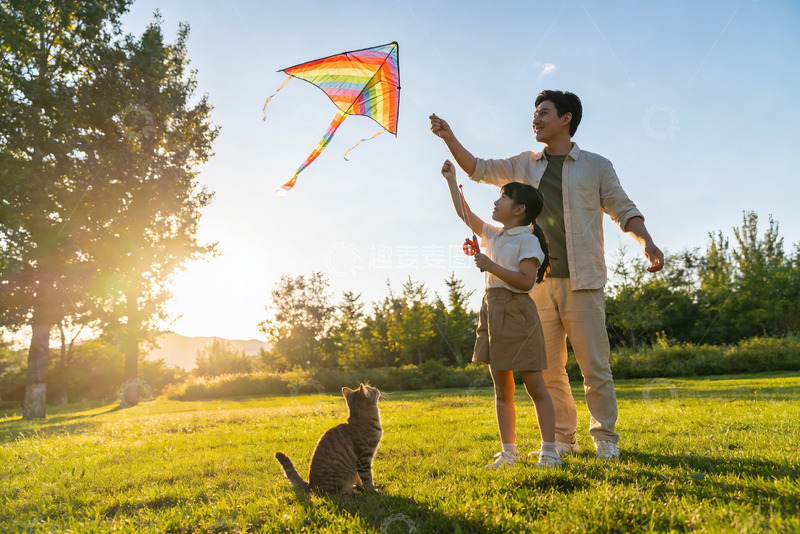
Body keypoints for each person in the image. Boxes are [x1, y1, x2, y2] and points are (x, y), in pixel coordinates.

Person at [431, 90, 664, 460]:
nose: (535, 119)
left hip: (584, 279)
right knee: (550, 369)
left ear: (566, 118)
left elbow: (623, 208)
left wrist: (646, 241)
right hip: (536, 285)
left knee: (595, 366)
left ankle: (604, 437)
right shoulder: (523, 164)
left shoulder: (597, 166)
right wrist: (448, 136)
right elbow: (476, 169)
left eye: (543, 112)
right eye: (534, 113)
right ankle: (561, 438)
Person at [439, 159, 561, 470]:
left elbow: (526, 281)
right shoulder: (493, 235)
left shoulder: (528, 240)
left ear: (519, 209)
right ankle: (509, 453)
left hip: (517, 311)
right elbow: (463, 214)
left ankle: (549, 452)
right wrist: (452, 180)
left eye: (503, 197)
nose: (496, 201)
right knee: (501, 387)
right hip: (491, 308)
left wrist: (490, 266)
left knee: (534, 386)